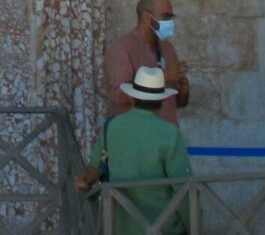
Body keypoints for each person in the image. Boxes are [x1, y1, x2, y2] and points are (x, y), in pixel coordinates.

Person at [76, 65, 193, 235]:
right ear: (161, 101)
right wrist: (191, 225)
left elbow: (93, 170)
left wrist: (84, 181)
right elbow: (184, 188)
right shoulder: (170, 133)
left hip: (119, 227)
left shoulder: (111, 127)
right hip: (162, 228)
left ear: (132, 98)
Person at [105, 0, 190, 123]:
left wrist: (184, 91)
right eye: (165, 16)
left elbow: (177, 102)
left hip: (167, 134)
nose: (170, 22)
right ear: (147, 17)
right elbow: (119, 97)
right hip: (137, 135)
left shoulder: (168, 48)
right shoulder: (121, 47)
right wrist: (163, 77)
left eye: (171, 17)